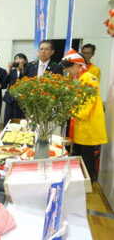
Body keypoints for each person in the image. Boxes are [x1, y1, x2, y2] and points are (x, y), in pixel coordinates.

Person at [61, 52, 107, 181]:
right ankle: (81, 178)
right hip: (80, 122)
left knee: (87, 155)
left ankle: (88, 180)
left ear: (77, 65)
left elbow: (89, 101)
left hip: (88, 123)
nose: (68, 71)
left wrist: (74, 113)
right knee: (79, 152)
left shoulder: (89, 77)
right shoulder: (79, 78)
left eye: (69, 68)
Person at [3, 53, 28, 126]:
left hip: (21, 99)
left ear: (25, 61)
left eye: (20, 58)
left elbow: (26, 81)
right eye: (16, 59)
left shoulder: (27, 71)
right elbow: (4, 83)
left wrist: (22, 69)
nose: (18, 60)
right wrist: (8, 69)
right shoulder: (12, 71)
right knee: (8, 118)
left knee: (19, 119)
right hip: (10, 98)